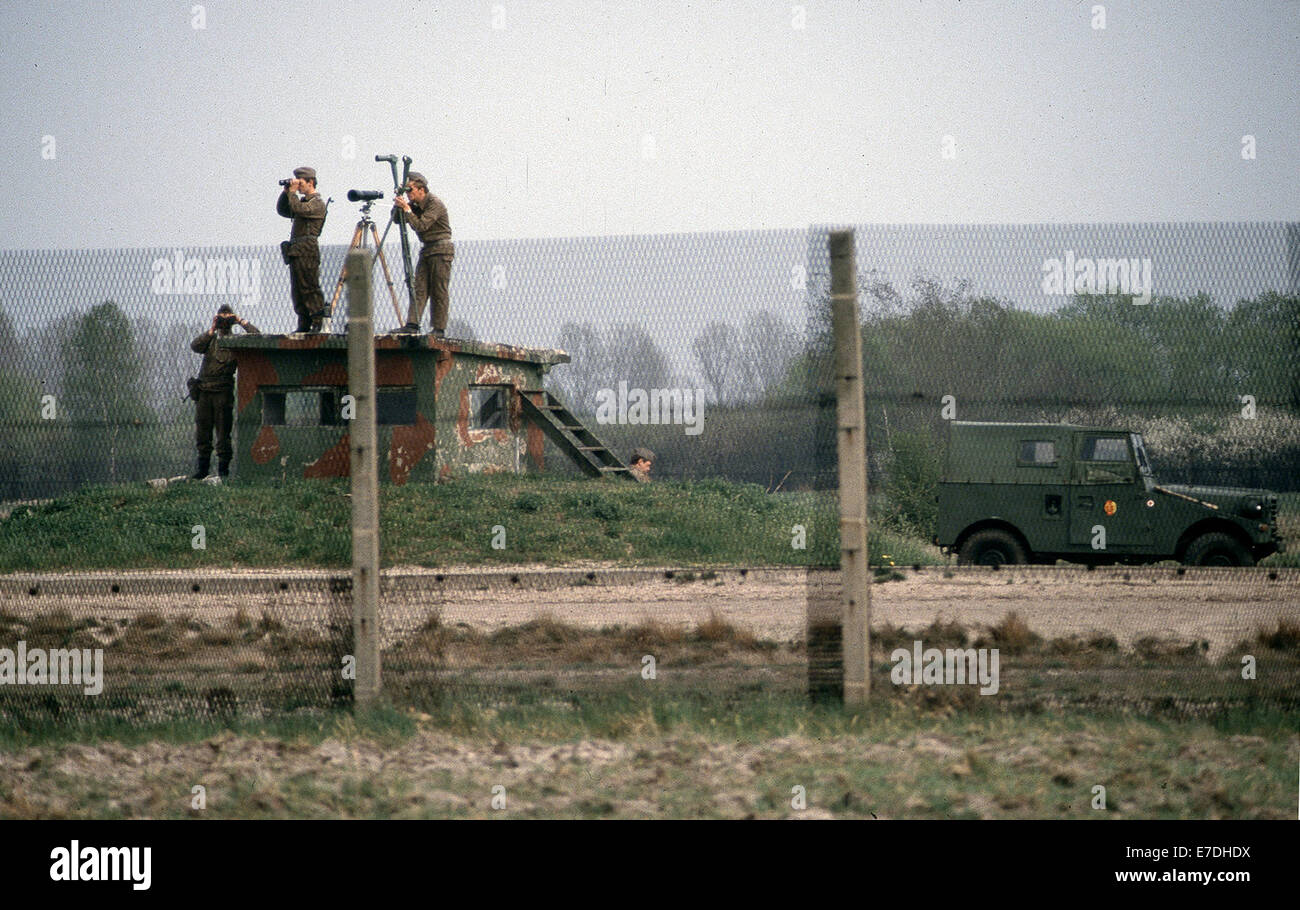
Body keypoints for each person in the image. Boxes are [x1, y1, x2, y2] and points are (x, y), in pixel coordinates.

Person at [191, 305, 259, 480]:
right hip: (204, 391)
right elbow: (195, 346)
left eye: (226, 318)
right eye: (221, 317)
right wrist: (212, 329)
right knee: (203, 432)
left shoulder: (235, 342)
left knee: (223, 433)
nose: (224, 321)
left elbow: (257, 337)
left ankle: (223, 471)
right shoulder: (211, 340)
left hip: (223, 392)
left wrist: (239, 320)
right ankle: (202, 470)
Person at [393, 172, 454, 336]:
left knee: (438, 290)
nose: (409, 195)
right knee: (419, 288)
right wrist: (399, 205)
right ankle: (412, 323)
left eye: (411, 190)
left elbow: (421, 225)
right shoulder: (414, 205)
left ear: (422, 189)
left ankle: (438, 328)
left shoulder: (435, 204)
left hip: (441, 250)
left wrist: (407, 210)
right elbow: (397, 220)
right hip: (427, 249)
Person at [276, 166, 327, 333]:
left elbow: (298, 209)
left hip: (307, 249)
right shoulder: (301, 202)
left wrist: (292, 193)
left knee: (309, 286)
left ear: (311, 182)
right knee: (297, 289)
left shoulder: (317, 204)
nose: (299, 186)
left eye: (301, 183)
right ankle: (303, 322)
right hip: (296, 251)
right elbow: (283, 210)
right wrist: (286, 193)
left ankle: (318, 320)